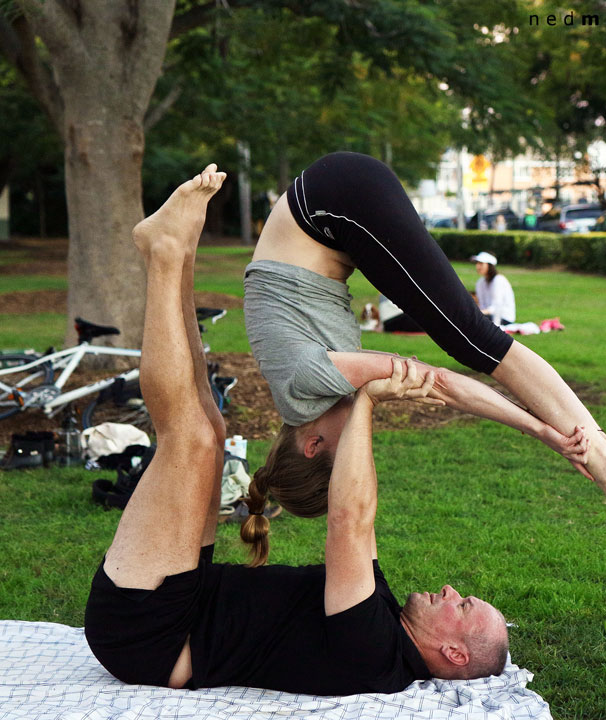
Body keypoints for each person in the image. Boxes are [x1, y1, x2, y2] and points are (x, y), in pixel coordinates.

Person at [83, 166, 509, 693]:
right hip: (182, 599)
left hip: (150, 631)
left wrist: (370, 401)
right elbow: (357, 513)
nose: (450, 589)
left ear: (452, 652)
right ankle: (177, 257)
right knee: (210, 433)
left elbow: (349, 518)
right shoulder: (382, 617)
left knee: (188, 440)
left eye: (461, 604)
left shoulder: (375, 655)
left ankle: (166, 256)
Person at [242, 152, 606, 557]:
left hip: (333, 205)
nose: (362, 443)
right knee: (469, 338)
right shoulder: (314, 393)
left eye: (348, 451)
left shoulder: (303, 384)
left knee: (474, 340)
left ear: (313, 445)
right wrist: (545, 432)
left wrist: (543, 433)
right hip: (334, 209)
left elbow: (440, 381)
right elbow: (443, 389)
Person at [471, 251, 516, 327]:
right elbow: (482, 304)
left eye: (481, 264)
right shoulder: (480, 283)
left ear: (489, 265)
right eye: (477, 263)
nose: (477, 267)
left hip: (503, 318)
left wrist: (479, 313)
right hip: (487, 316)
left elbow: (496, 307)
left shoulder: (499, 280)